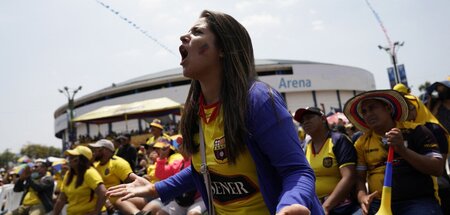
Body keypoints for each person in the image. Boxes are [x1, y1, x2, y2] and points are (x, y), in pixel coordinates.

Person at [107, 10, 322, 215]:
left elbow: (297, 171)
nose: (183, 36)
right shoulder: (194, 112)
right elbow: (203, 170)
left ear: (223, 49)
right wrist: (156, 189)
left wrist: (290, 204)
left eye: (197, 32)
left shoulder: (259, 100)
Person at [344, 89, 444, 215]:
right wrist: (362, 197)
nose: (368, 114)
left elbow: (437, 169)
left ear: (388, 108)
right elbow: (359, 178)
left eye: (372, 108)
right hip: (378, 203)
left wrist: (403, 150)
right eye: (364, 111)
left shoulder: (417, 131)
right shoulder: (361, 143)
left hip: (417, 201)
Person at [294, 107, 360, 215]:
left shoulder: (339, 140)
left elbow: (349, 177)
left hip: (342, 208)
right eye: (302, 121)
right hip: (315, 207)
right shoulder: (305, 147)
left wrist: (326, 206)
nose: (305, 122)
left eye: (309, 117)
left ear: (323, 119)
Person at [89, 139, 145, 215]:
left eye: (97, 149)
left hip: (117, 205)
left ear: (106, 150)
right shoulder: (95, 166)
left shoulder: (118, 163)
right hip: (101, 204)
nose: (94, 152)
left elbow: (133, 183)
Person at [53, 145, 107, 215]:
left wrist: (96, 211)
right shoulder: (68, 174)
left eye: (72, 157)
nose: (69, 159)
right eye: (69, 157)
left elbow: (103, 192)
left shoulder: (89, 173)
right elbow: (61, 199)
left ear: (82, 159)